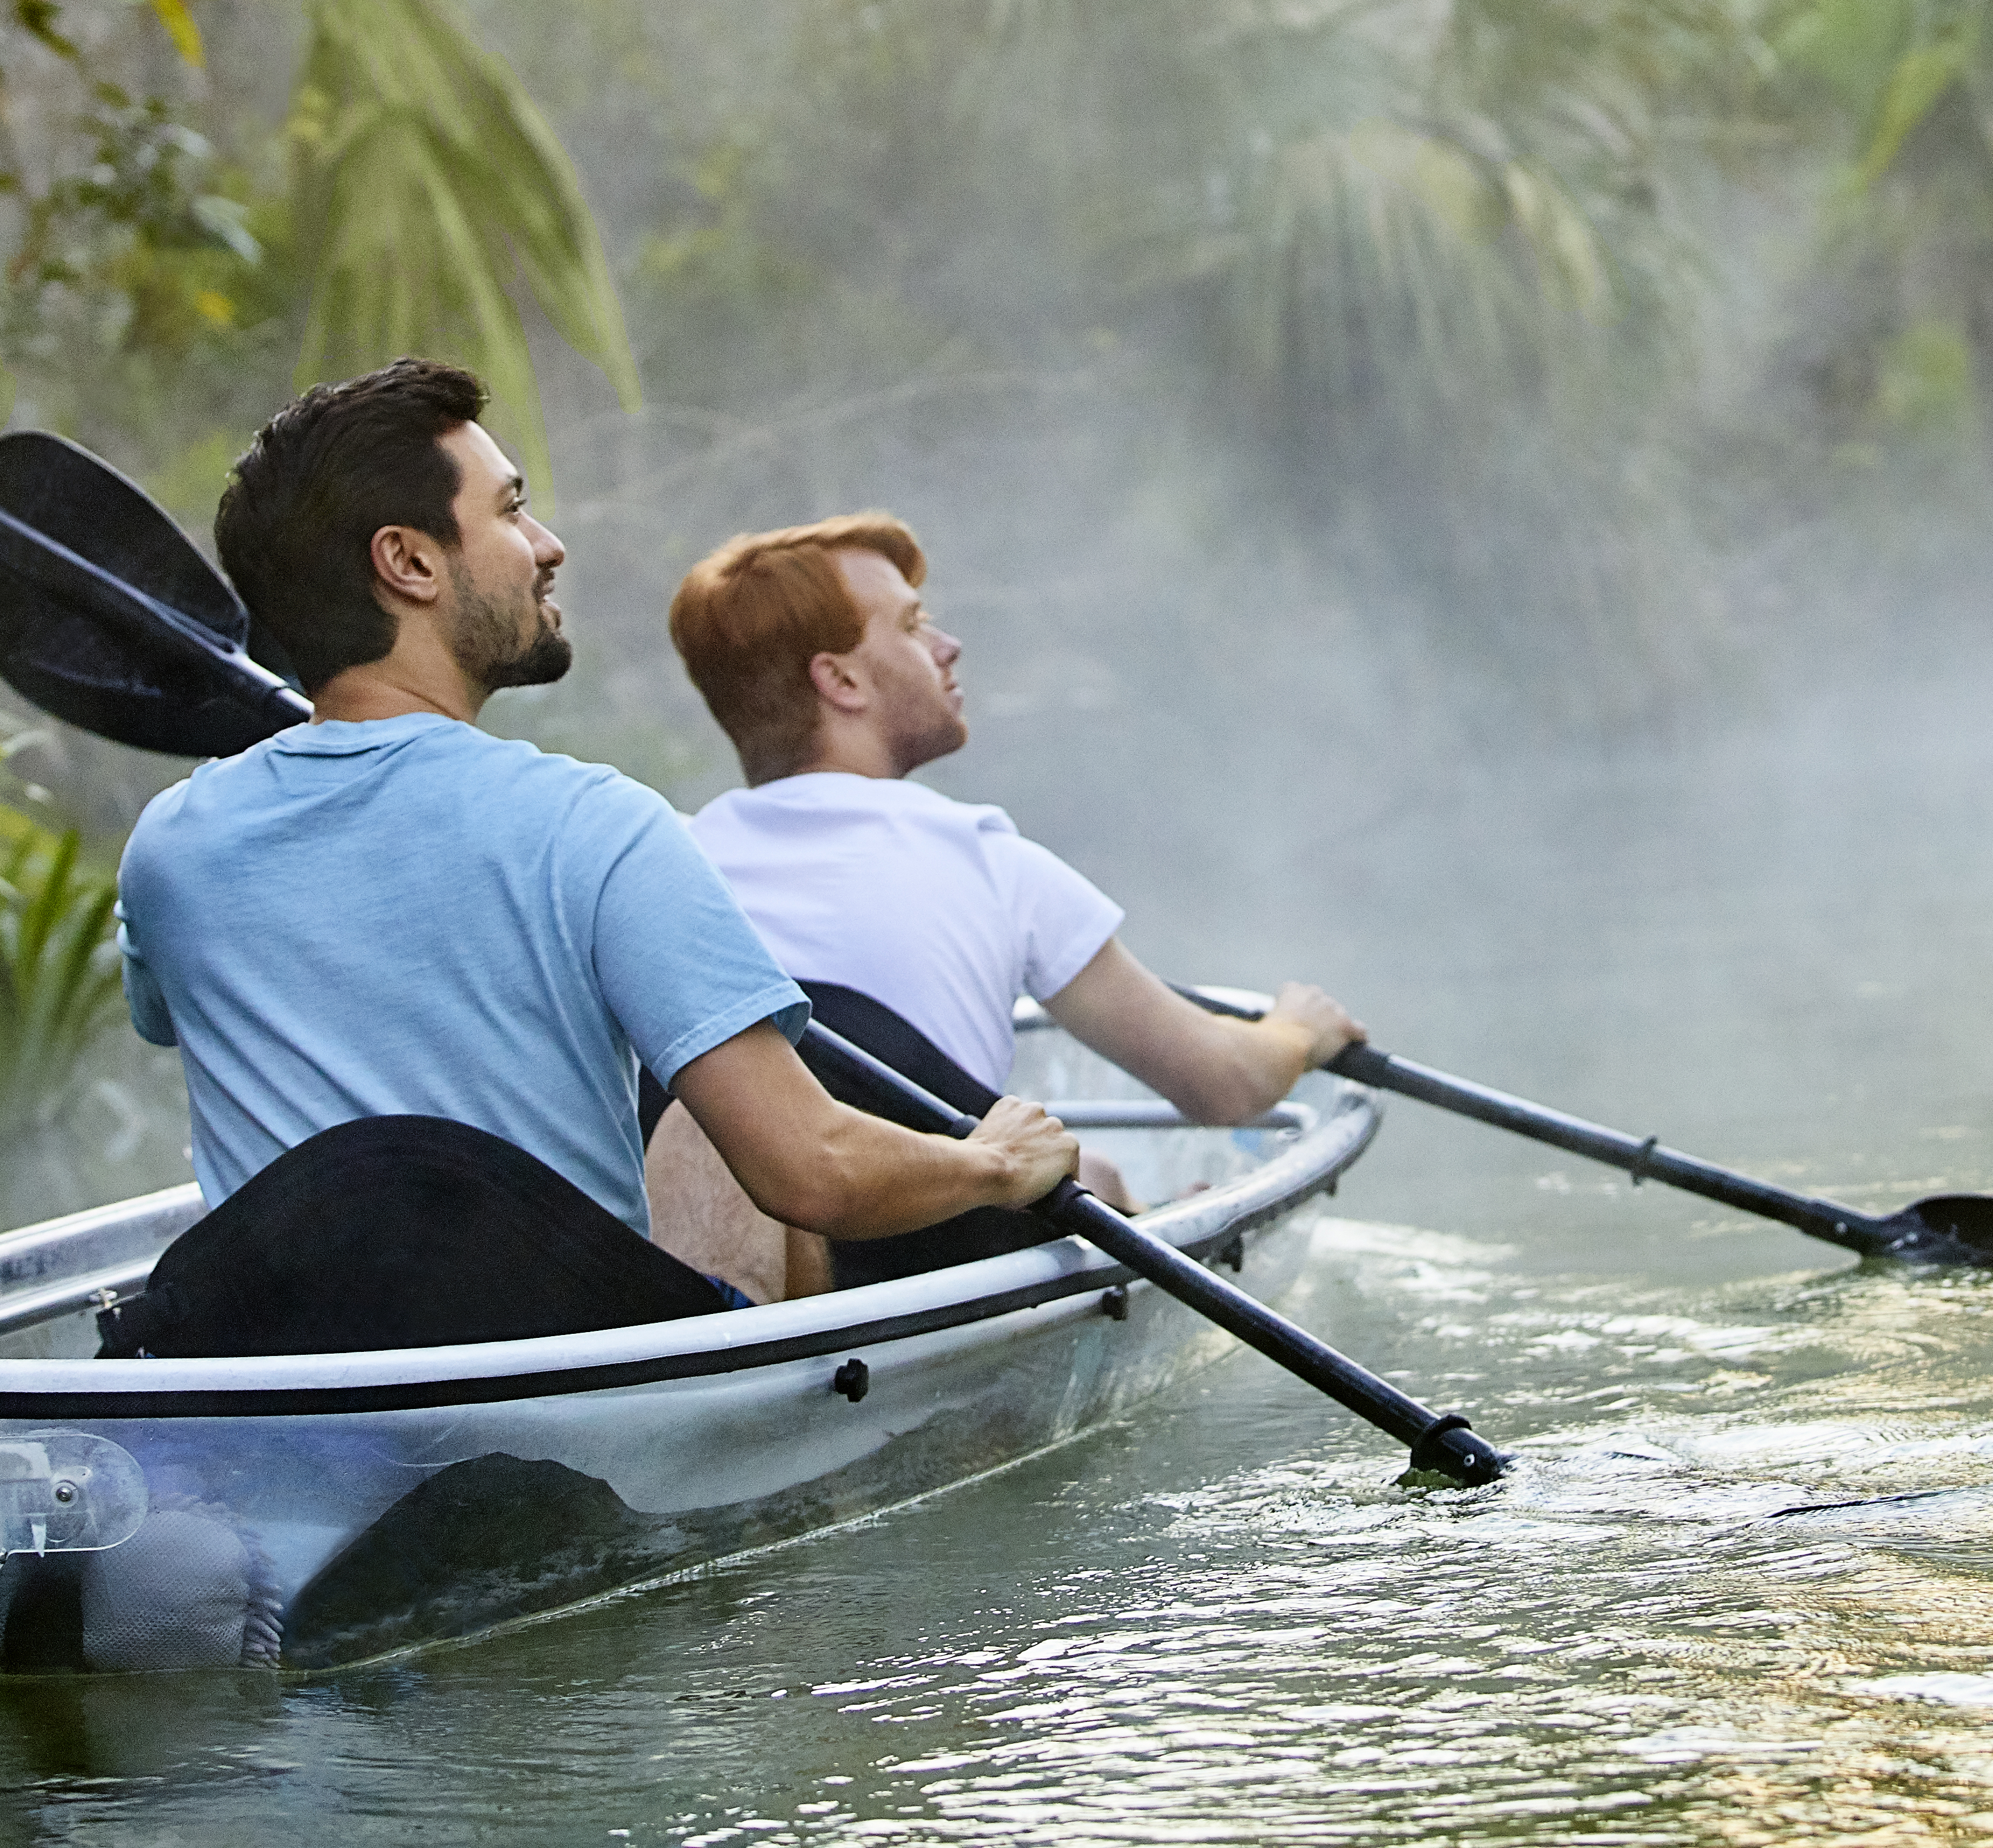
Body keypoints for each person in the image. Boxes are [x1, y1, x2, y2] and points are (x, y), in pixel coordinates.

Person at [108, 364, 1078, 1357]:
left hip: (277, 1385)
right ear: (409, 562)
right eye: (512, 510)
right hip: (568, 1384)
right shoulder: (597, 828)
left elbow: (166, 1015)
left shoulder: (171, 848)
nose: (547, 545)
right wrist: (995, 1164)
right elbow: (811, 1173)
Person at [645, 512, 1363, 1298]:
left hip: (729, 1264)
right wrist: (1297, 1030)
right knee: (1084, 1170)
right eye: (914, 626)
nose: (948, 646)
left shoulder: (667, 860)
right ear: (841, 681)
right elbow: (1222, 1084)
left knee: (1095, 1168)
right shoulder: (988, 859)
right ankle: (1138, 1206)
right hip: (911, 1262)